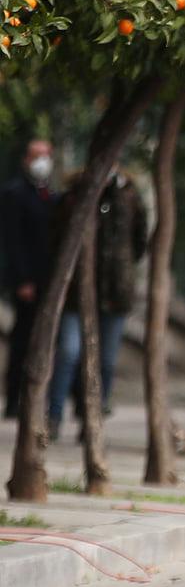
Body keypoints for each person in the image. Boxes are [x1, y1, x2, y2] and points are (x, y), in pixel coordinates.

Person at [47, 163, 147, 427]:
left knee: (106, 360)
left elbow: (139, 242)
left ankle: (93, 418)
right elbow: (56, 238)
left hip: (115, 293)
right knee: (69, 353)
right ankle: (54, 416)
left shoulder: (129, 195)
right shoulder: (75, 194)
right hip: (75, 293)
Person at [1, 138, 57, 419]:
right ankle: (13, 400)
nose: (41, 161)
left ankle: (39, 401)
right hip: (27, 283)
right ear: (25, 159)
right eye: (36, 156)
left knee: (46, 342)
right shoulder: (15, 193)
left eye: (46, 155)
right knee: (22, 341)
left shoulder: (50, 194)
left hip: (50, 281)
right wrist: (23, 280)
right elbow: (13, 242)